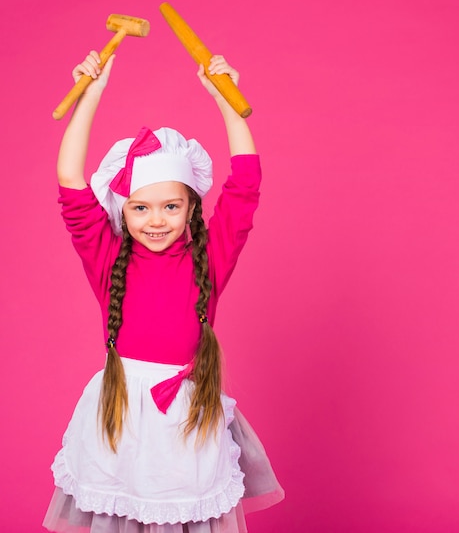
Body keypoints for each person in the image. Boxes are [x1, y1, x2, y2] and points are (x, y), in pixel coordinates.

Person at [43, 50, 284, 533]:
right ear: (123, 211)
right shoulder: (110, 261)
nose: (156, 220)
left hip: (188, 423)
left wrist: (225, 100)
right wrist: (91, 95)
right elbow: (71, 182)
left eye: (171, 206)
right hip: (120, 421)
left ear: (192, 206)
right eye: (141, 209)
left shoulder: (208, 263)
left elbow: (245, 184)